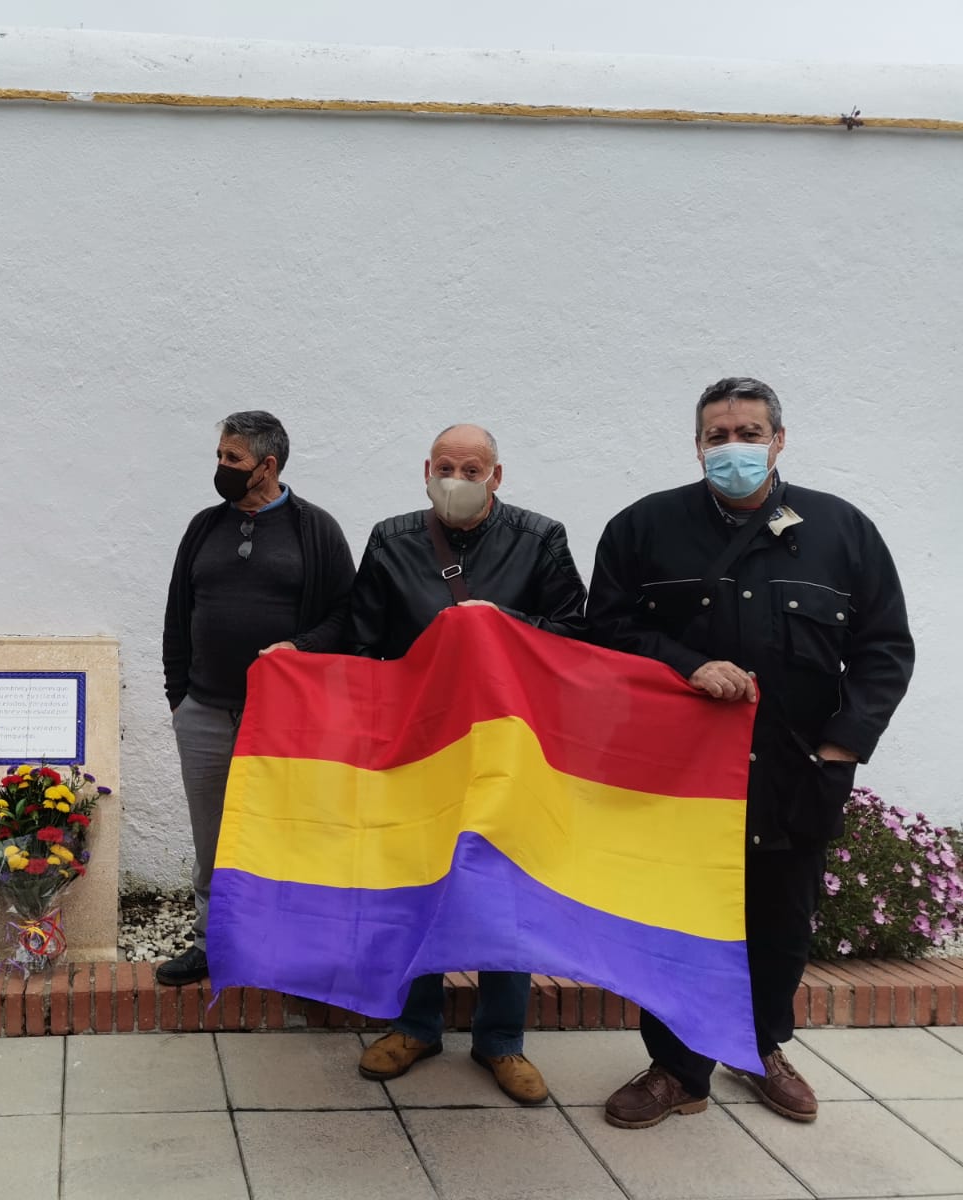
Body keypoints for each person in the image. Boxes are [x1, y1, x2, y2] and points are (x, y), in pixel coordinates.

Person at [589, 377, 914, 1129]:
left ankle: (761, 1047)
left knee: (780, 922)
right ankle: (676, 1069)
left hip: (798, 770)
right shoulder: (643, 528)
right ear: (697, 444)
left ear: (779, 440)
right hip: (679, 776)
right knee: (677, 920)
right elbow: (602, 633)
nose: (732, 446)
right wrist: (683, 665)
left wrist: (842, 747)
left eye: (749, 431)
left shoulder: (844, 531)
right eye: (717, 435)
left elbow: (884, 649)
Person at [351, 424, 587, 1105]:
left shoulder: (541, 538)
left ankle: (502, 1039)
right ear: (425, 470)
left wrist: (501, 621)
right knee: (416, 878)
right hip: (420, 743)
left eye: (472, 468)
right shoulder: (391, 539)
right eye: (446, 466)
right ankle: (416, 1024)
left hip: (508, 744)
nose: (457, 478)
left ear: (497, 476)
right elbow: (363, 641)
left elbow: (576, 628)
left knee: (503, 888)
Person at [158, 411, 356, 987]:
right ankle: (213, 944)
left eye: (232, 460)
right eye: (220, 456)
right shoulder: (202, 527)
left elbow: (345, 613)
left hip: (284, 721)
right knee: (212, 837)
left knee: (288, 832)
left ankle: (287, 950)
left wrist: (299, 646)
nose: (221, 468)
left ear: (267, 466)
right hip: (204, 713)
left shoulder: (314, 530)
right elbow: (177, 613)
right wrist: (179, 696)